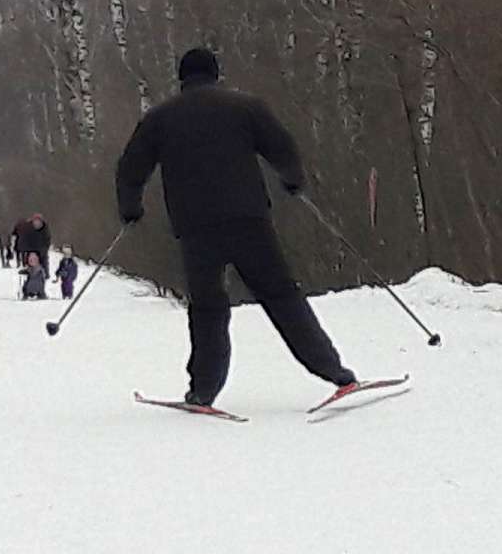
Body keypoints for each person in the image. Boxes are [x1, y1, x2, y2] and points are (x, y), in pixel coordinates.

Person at [115, 47, 358, 407]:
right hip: (249, 219)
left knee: (208, 308)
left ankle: (203, 392)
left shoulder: (159, 118)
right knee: (282, 297)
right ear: (216, 74)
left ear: (182, 78)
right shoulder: (244, 107)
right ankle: (336, 374)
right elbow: (282, 146)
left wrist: (131, 209)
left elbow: (130, 168)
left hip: (195, 227)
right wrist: (292, 180)